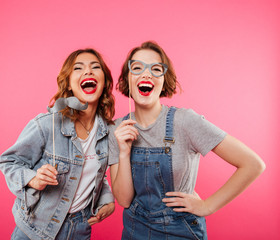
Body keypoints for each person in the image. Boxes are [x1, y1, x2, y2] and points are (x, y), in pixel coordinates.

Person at [109, 41, 265, 239]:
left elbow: (252, 164)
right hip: (134, 230)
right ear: (127, 79)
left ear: (164, 80)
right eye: (137, 67)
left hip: (180, 231)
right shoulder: (116, 129)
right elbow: (123, 200)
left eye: (155, 69)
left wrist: (207, 206)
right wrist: (124, 152)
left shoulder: (185, 122)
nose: (146, 74)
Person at [0, 48, 116, 240]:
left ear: (104, 82)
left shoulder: (107, 131)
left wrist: (107, 200)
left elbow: (95, 175)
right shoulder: (47, 123)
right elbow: (9, 162)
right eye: (78, 68)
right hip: (34, 229)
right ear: (69, 84)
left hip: (79, 230)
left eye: (95, 67)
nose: (88, 71)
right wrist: (33, 179)